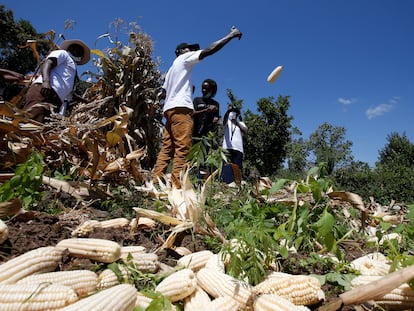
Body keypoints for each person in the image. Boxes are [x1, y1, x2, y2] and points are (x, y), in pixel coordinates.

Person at [153, 26, 242, 189]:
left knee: (167, 148)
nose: (191, 50)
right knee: (183, 147)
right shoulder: (184, 59)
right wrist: (230, 36)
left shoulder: (171, 70)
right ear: (181, 51)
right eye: (188, 49)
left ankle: (156, 180)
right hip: (181, 110)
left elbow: (162, 94)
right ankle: (177, 185)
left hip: (169, 111)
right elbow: (209, 50)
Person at [23, 39, 90, 122]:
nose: (76, 51)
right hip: (45, 91)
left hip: (56, 100)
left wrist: (86, 102)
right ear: (69, 49)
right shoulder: (63, 54)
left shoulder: (73, 69)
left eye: (79, 51)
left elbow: (69, 92)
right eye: (74, 48)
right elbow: (48, 63)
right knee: (32, 119)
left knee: (42, 127)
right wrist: (46, 82)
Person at [192, 79, 220, 181]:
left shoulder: (216, 104)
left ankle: (200, 180)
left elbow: (217, 117)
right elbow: (192, 113)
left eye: (206, 88)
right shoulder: (197, 100)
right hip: (194, 134)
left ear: (212, 90)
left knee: (203, 158)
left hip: (206, 136)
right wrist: (206, 110)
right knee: (191, 156)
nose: (203, 90)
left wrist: (215, 120)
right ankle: (189, 177)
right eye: (203, 88)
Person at [221, 105, 248, 184]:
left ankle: (237, 184)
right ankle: (226, 184)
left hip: (238, 148)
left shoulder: (241, 123)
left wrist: (236, 121)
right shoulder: (227, 122)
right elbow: (224, 121)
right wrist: (228, 111)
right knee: (227, 168)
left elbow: (245, 131)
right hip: (227, 147)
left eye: (234, 111)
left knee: (237, 168)